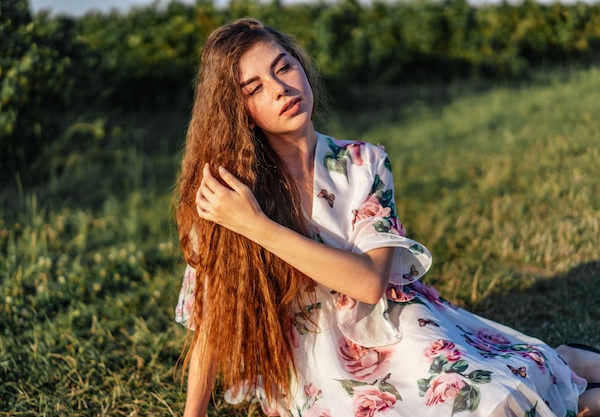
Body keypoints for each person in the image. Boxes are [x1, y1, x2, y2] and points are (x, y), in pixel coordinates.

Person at [173, 18, 600, 417]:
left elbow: (368, 283)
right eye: (255, 88)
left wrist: (257, 226)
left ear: (302, 67)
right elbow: (213, 314)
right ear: (238, 111)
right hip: (315, 363)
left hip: (390, 322)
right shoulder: (231, 192)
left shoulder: (362, 161)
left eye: (283, 67)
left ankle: (564, 366)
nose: (280, 88)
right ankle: (572, 376)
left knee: (486, 398)